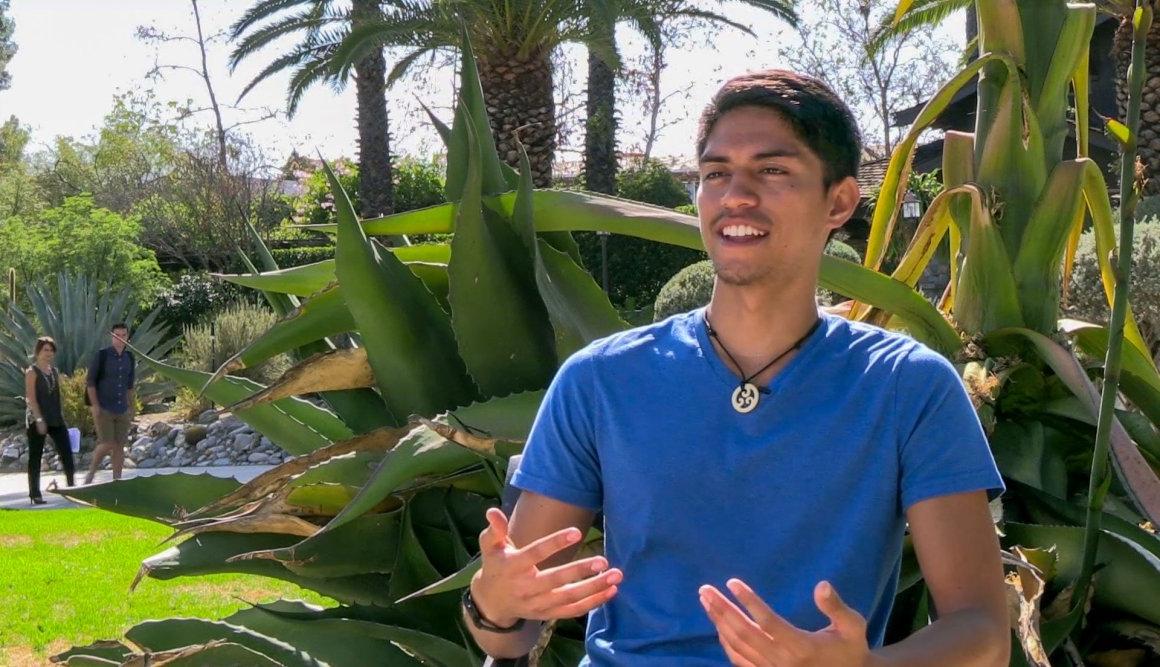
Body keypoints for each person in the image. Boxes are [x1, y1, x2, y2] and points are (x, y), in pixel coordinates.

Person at [464, 71, 1009, 666]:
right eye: (716, 173)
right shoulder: (600, 381)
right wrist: (492, 600)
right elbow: (509, 631)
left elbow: (981, 629)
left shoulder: (909, 386)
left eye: (772, 170)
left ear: (839, 201)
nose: (736, 195)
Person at [24, 336, 75, 504]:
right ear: (38, 351)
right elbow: (31, 398)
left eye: (51, 350)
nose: (48, 353)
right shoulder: (32, 372)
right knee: (35, 456)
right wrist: (39, 419)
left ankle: (72, 487)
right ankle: (35, 494)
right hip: (37, 419)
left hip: (55, 418)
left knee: (66, 452)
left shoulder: (53, 371)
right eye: (45, 349)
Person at [84, 323, 136, 484]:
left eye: (123, 335)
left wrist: (131, 406)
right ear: (112, 336)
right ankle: (91, 473)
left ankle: (117, 480)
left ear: (128, 337)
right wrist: (95, 406)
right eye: (117, 335)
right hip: (104, 406)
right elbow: (90, 382)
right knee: (107, 443)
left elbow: (129, 385)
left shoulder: (129, 357)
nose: (120, 339)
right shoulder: (102, 355)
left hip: (121, 408)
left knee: (120, 445)